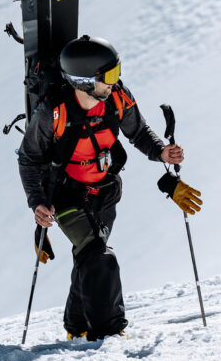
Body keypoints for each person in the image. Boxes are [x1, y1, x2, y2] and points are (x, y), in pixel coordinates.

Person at [17, 34, 203, 341]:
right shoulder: (52, 114)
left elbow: (139, 132)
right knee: (100, 256)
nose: (116, 81)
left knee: (89, 257)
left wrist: (160, 152)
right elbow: (29, 158)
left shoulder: (116, 98)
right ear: (86, 81)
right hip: (67, 195)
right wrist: (36, 202)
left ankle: (76, 329)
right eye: (110, 76)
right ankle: (108, 333)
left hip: (106, 192)